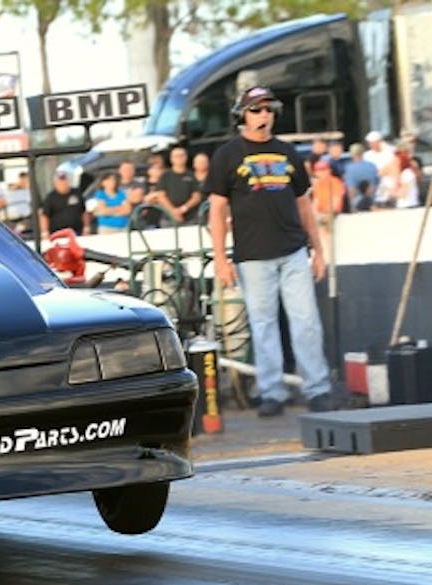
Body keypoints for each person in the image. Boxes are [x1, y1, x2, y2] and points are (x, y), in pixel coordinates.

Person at [205, 86, 333, 417]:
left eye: (268, 109)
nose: (264, 115)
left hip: (293, 250)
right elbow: (217, 210)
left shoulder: (288, 152)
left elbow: (304, 204)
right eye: (256, 110)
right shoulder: (227, 155)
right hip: (252, 254)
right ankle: (272, 392)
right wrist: (220, 258)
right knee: (263, 325)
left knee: (306, 321)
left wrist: (318, 251)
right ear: (242, 115)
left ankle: (318, 388)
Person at [160, 144, 203, 224]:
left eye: (182, 155)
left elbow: (197, 196)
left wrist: (183, 209)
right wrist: (173, 211)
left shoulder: (192, 175)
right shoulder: (165, 176)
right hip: (168, 219)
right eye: (176, 156)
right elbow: (161, 196)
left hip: (190, 218)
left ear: (186, 157)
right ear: (171, 159)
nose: (179, 158)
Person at [39, 170, 88, 236]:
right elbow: (44, 216)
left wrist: (86, 227)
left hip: (77, 231)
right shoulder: (50, 197)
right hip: (58, 233)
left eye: (64, 181)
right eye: (60, 181)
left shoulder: (76, 193)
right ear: (55, 183)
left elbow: (84, 212)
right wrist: (45, 232)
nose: (62, 183)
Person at [342, 143, 378, 211]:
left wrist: (352, 206)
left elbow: (351, 189)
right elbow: (375, 184)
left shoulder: (350, 168)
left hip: (359, 205)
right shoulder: (372, 166)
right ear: (363, 153)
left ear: (352, 154)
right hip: (373, 203)